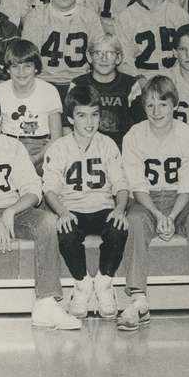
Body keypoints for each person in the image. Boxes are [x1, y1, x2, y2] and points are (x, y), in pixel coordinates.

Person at [0, 88, 80, 336]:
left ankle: (46, 303)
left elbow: (33, 190)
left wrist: (9, 212)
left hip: (14, 209)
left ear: (1, 118)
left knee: (48, 222)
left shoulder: (14, 146)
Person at [118, 76, 189, 331]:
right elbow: (137, 185)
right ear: (143, 106)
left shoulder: (188, 136)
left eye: (163, 104)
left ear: (174, 104)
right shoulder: (134, 135)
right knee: (133, 220)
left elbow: (188, 185)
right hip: (147, 200)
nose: (157, 112)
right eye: (150, 105)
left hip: (180, 199)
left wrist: (173, 215)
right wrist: (157, 214)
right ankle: (138, 300)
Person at [41, 85, 129, 319]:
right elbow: (49, 188)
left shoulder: (108, 144)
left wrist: (120, 209)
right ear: (70, 118)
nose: (89, 122)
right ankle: (81, 285)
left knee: (119, 227)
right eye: (82, 115)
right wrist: (62, 212)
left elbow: (120, 184)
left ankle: (104, 283)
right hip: (73, 208)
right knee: (66, 231)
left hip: (103, 207)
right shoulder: (59, 148)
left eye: (94, 114)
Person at [20, 0, 105, 98]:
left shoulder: (89, 17)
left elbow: (100, 53)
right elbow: (28, 59)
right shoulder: (36, 16)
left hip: (80, 81)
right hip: (44, 81)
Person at [115, 0, 189, 79]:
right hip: (139, 81)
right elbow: (123, 62)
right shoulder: (125, 17)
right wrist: (140, 81)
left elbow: (188, 56)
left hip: (175, 80)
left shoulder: (179, 15)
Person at [0, 39, 63, 171]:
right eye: (15, 66)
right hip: (8, 144)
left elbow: (56, 138)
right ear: (7, 69)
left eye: (27, 66)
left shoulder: (49, 91)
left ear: (36, 68)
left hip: (41, 147)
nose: (21, 72)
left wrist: (36, 158)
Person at [71, 33, 144, 147]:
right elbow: (69, 124)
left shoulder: (130, 84)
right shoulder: (78, 84)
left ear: (118, 58)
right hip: (87, 146)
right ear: (89, 57)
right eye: (98, 53)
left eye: (110, 53)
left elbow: (141, 124)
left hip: (122, 146)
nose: (104, 58)